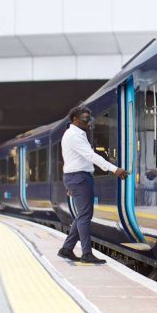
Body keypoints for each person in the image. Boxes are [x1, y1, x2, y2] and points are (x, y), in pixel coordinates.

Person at [57, 105, 128, 264]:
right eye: (85, 120)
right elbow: (90, 155)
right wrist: (114, 169)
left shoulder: (76, 134)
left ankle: (67, 249)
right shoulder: (73, 136)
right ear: (75, 119)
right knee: (84, 216)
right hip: (79, 177)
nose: (89, 123)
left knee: (82, 215)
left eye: (90, 120)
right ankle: (86, 253)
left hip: (77, 177)